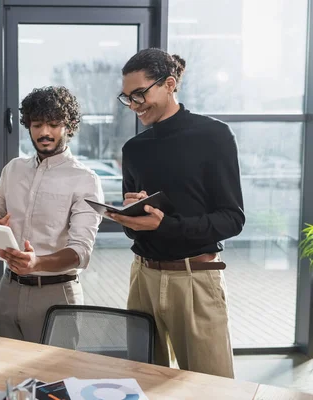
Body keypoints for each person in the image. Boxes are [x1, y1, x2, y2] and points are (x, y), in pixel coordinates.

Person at [109, 48, 245, 378]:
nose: (134, 105)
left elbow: (232, 218)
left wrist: (165, 225)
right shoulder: (134, 149)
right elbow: (135, 230)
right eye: (127, 98)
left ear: (170, 84)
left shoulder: (214, 136)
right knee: (143, 382)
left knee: (212, 389)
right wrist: (131, 217)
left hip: (196, 279)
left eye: (140, 94)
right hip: (142, 279)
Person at [0, 86, 104, 343]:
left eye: (53, 124)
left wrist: (36, 263)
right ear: (28, 126)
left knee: (54, 379)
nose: (44, 132)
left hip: (56, 294)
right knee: (6, 373)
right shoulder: (13, 169)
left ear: (69, 126)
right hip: (9, 289)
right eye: (37, 124)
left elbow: (81, 252)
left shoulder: (85, 180)